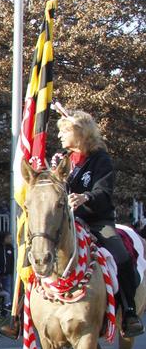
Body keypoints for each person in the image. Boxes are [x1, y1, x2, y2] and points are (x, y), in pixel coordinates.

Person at [59, 111, 143, 337]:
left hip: (97, 221)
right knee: (37, 251)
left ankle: (129, 311)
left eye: (64, 131)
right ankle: (20, 315)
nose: (59, 136)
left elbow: (103, 192)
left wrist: (85, 197)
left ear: (80, 134)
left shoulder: (101, 159)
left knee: (122, 257)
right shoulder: (61, 159)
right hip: (68, 222)